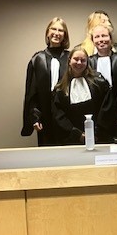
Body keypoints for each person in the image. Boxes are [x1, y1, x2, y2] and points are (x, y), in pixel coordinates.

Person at [52, 46, 116, 145]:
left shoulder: (100, 83)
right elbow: (59, 115)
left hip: (99, 137)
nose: (79, 63)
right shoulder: (60, 88)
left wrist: (94, 133)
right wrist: (77, 134)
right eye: (76, 59)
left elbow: (107, 109)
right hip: (71, 139)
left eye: (83, 60)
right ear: (69, 61)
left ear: (87, 62)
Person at [21, 17, 70, 146]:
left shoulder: (71, 58)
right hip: (45, 115)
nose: (57, 33)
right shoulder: (38, 59)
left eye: (61, 30)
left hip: (67, 116)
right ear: (48, 33)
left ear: (65, 35)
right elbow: (32, 92)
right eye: (53, 29)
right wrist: (35, 117)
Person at [89, 25, 117, 137]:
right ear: (92, 41)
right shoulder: (89, 62)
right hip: (97, 114)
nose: (101, 39)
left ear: (110, 38)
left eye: (104, 36)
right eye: (97, 37)